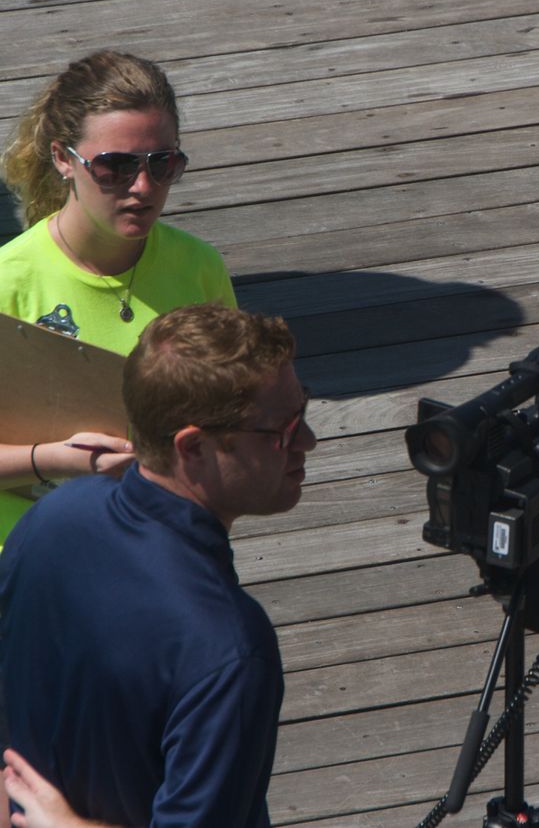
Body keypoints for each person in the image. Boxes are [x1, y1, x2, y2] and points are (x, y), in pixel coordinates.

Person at [0, 303, 314, 827]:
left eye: (305, 413)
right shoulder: (229, 647)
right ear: (192, 448)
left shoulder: (53, 518)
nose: (308, 442)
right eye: (283, 431)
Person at [0, 49, 236, 546]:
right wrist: (56, 459)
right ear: (64, 158)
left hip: (162, 538)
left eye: (163, 163)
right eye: (115, 167)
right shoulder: (8, 283)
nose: (143, 187)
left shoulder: (199, 268)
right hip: (28, 549)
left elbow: (235, 410)